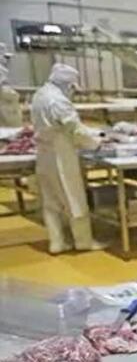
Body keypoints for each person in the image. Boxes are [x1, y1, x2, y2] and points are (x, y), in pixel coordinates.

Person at [31, 63, 105, 254]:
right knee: (74, 198)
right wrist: (96, 143)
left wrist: (97, 132)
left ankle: (57, 242)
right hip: (61, 154)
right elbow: (74, 130)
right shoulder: (59, 101)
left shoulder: (40, 95)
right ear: (68, 85)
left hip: (43, 153)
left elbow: (71, 127)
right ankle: (83, 242)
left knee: (50, 202)